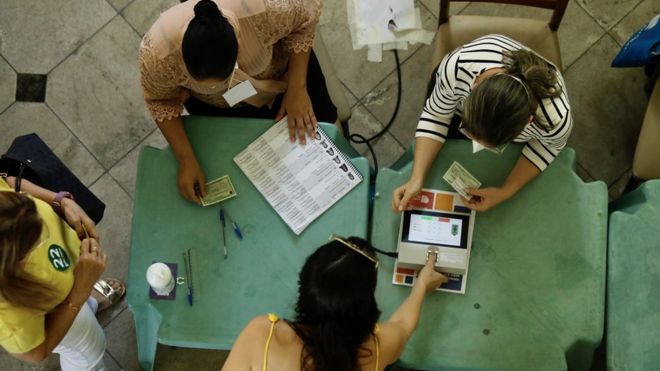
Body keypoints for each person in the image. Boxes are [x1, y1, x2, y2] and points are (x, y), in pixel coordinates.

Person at [139, 0, 337, 203]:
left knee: (327, 142)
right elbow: (160, 100)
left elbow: (304, 21)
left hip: (285, 78)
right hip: (220, 106)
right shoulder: (158, 55)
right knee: (243, 181)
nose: (225, 84)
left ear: (238, 41)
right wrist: (186, 159)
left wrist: (297, 88)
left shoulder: (270, 8)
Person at [392, 34, 573, 212]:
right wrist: (417, 177)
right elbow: (436, 115)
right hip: (455, 94)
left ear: (528, 121)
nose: (474, 147)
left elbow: (547, 147)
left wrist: (505, 192)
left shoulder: (556, 120)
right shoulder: (457, 67)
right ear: (474, 87)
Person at [222, 235, 447, 370]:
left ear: (306, 292)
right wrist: (421, 285)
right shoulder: (377, 349)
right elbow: (403, 326)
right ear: (364, 308)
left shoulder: (262, 335)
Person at [0, 175, 125, 370]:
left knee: (83, 310)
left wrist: (59, 201)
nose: (44, 224)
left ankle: (89, 304)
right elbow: (37, 353)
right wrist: (80, 291)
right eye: (34, 239)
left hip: (63, 290)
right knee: (89, 354)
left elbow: (7, 181)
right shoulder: (5, 314)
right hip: (55, 320)